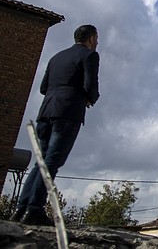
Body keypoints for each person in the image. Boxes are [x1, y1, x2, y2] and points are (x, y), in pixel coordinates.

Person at [10, 25, 100, 226]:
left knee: (40, 162)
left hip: (46, 111)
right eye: (97, 38)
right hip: (67, 113)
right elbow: (90, 85)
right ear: (92, 39)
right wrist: (89, 99)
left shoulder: (56, 57)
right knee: (52, 161)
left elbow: (43, 88)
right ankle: (34, 209)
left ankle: (21, 208)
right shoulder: (89, 56)